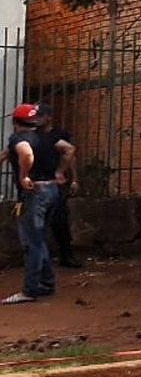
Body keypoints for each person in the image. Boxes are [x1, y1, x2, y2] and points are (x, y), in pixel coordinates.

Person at [4, 103, 72, 304]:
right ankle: (46, 283)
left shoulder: (19, 138)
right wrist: (59, 172)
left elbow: (25, 153)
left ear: (15, 122)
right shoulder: (46, 136)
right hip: (52, 190)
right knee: (38, 238)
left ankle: (29, 290)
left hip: (35, 194)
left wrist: (24, 176)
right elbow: (68, 149)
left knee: (31, 242)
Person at [35, 104, 80, 267]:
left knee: (60, 220)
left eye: (41, 114)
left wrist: (73, 178)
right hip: (38, 183)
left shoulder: (58, 135)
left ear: (49, 116)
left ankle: (66, 254)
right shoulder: (33, 136)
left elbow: (71, 155)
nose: (37, 117)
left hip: (56, 183)